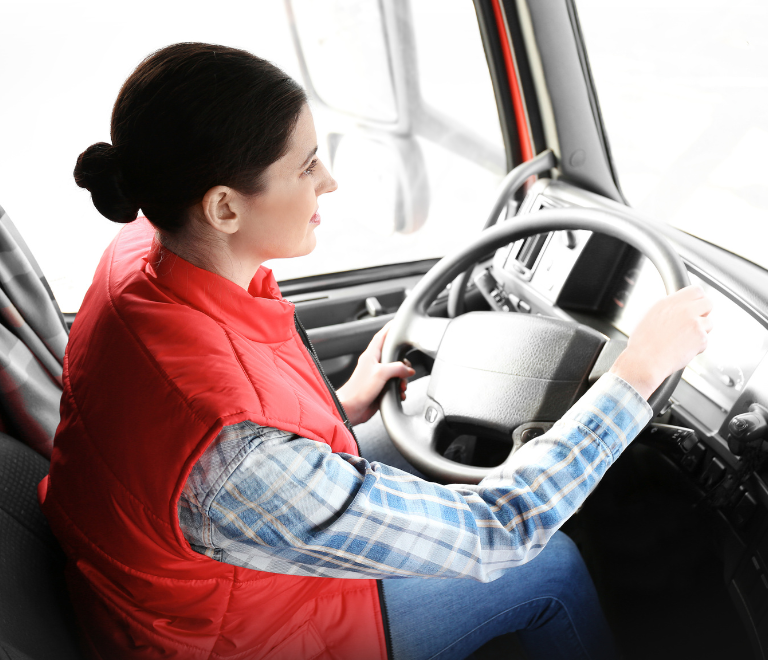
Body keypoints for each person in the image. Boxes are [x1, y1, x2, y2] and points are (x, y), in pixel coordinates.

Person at [39, 43, 713, 660]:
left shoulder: (137, 261)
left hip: (186, 588)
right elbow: (499, 531)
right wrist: (634, 375)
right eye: (305, 166)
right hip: (246, 640)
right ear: (223, 208)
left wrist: (335, 410)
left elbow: (212, 401)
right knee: (549, 567)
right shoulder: (237, 457)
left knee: (417, 410)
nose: (327, 182)